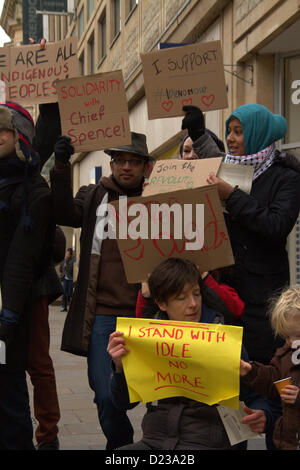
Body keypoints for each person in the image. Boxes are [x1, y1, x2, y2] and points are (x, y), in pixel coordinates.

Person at [49, 132, 152, 449]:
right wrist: (62, 165)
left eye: (133, 161)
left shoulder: (160, 198)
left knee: (154, 393)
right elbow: (64, 212)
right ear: (111, 163)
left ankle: (156, 443)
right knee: (105, 393)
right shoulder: (94, 195)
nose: (126, 167)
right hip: (103, 314)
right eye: (120, 160)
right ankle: (122, 447)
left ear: (146, 167)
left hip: (148, 314)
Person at [108, 258, 275, 450]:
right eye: (181, 298)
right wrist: (120, 367)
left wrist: (263, 413)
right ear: (162, 303)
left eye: (197, 294)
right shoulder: (147, 338)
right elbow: (122, 404)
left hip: (209, 442)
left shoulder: (222, 338)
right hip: (155, 440)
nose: (193, 304)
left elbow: (256, 393)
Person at [204, 104, 300, 365]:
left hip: (262, 297)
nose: (231, 139)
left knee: (260, 370)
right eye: (229, 131)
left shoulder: (286, 177)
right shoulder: (225, 170)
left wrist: (232, 196)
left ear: (258, 134)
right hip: (227, 292)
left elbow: (276, 225)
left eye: (239, 132)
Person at [0, 101, 53, 449]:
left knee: (13, 382)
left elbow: (21, 259)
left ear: (18, 135)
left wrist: (7, 315)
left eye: (0, 129)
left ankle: (44, 437)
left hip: (16, 301)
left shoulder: (35, 187)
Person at [240, 285, 300, 450]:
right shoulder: (285, 355)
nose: (291, 342)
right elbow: (273, 381)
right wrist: (250, 371)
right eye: (286, 336)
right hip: (288, 440)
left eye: (298, 336)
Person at [27, 226, 66, 450]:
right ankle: (46, 433)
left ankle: (48, 432)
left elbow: (58, 244)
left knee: (38, 364)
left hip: (33, 289)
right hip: (27, 288)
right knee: (37, 365)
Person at [59, 248, 74, 312]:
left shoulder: (72, 261)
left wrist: (66, 264)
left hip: (70, 278)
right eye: (66, 253)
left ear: (70, 255)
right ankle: (63, 307)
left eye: (68, 254)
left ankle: (70, 305)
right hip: (65, 278)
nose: (66, 255)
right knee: (64, 292)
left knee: (70, 294)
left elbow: (70, 270)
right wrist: (61, 274)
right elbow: (61, 268)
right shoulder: (64, 260)